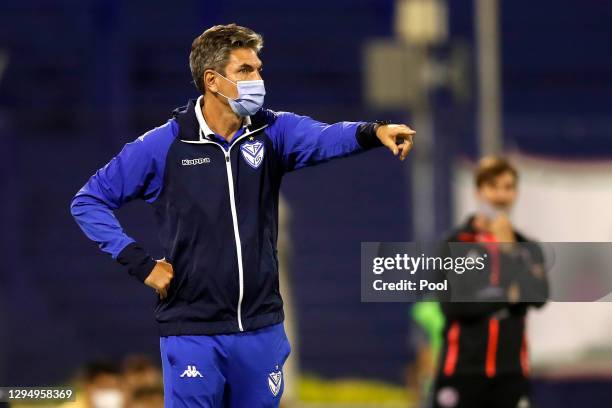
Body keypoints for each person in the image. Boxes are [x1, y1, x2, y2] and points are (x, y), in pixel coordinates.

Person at [70, 23, 415, 407]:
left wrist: (375, 131)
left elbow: (325, 137)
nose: (258, 80)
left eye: (259, 69)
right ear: (212, 81)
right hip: (193, 331)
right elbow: (88, 201)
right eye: (246, 71)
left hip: (260, 330)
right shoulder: (163, 145)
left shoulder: (273, 131)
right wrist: (140, 263)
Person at [432, 156, 548, 408]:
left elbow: (538, 297)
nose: (501, 195)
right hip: (463, 371)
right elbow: (453, 307)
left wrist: (509, 251)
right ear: (479, 192)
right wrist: (509, 296)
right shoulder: (456, 243)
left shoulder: (526, 247)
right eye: (494, 187)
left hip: (511, 374)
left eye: (508, 187)